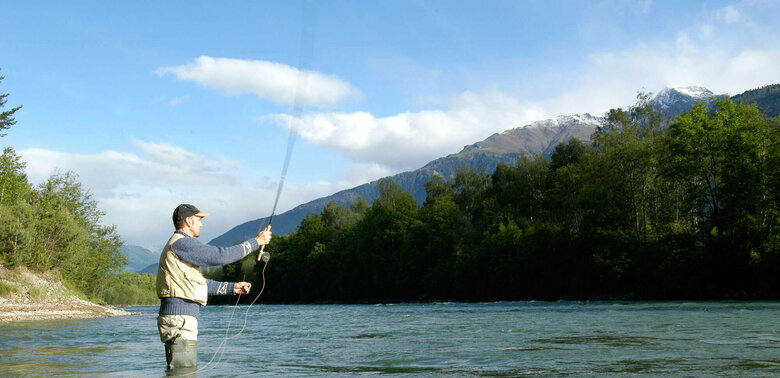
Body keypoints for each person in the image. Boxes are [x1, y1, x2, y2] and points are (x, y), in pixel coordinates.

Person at [156, 203, 272, 372]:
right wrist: (256, 242)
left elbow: (199, 283)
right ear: (188, 221)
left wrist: (233, 288)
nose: (201, 224)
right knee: (183, 372)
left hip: (180, 318)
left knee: (183, 371)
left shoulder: (181, 246)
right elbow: (220, 256)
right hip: (179, 319)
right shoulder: (182, 243)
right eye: (199, 219)